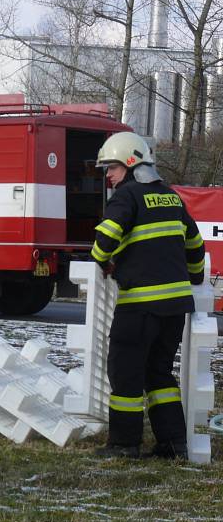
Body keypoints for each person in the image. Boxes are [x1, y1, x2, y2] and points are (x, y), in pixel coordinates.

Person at [91, 131, 205, 460]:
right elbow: (195, 244)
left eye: (110, 168)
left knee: (125, 373)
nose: (108, 176)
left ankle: (124, 444)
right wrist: (195, 275)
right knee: (159, 373)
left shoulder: (126, 197)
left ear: (129, 163)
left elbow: (106, 237)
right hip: (175, 307)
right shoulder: (170, 197)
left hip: (140, 306)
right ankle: (173, 444)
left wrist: (101, 259)